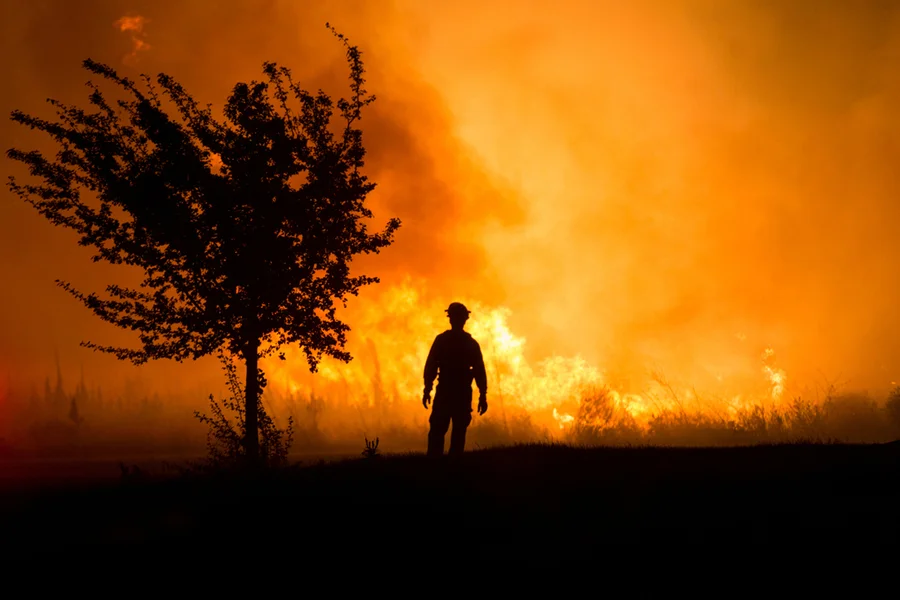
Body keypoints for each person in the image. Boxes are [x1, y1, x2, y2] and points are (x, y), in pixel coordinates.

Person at [423, 302, 488, 457]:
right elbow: (479, 371)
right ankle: (453, 466)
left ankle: (435, 466)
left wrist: (427, 389)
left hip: (446, 391)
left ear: (450, 319)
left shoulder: (442, 341)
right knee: (457, 432)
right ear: (465, 319)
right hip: (461, 392)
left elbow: (431, 366)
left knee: (439, 431)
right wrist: (483, 395)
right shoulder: (470, 344)